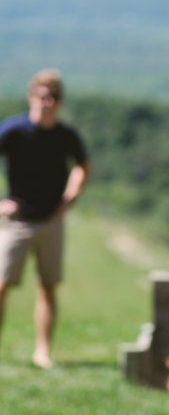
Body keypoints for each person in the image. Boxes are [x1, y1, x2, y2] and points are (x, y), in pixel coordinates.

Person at [0, 70, 90, 369]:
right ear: (31, 98)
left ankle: (43, 352)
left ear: (59, 102)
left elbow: (82, 166)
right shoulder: (13, 131)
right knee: (1, 284)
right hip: (18, 221)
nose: (46, 102)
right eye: (41, 96)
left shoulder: (66, 136)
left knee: (48, 287)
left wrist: (70, 198)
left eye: (51, 97)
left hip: (51, 219)